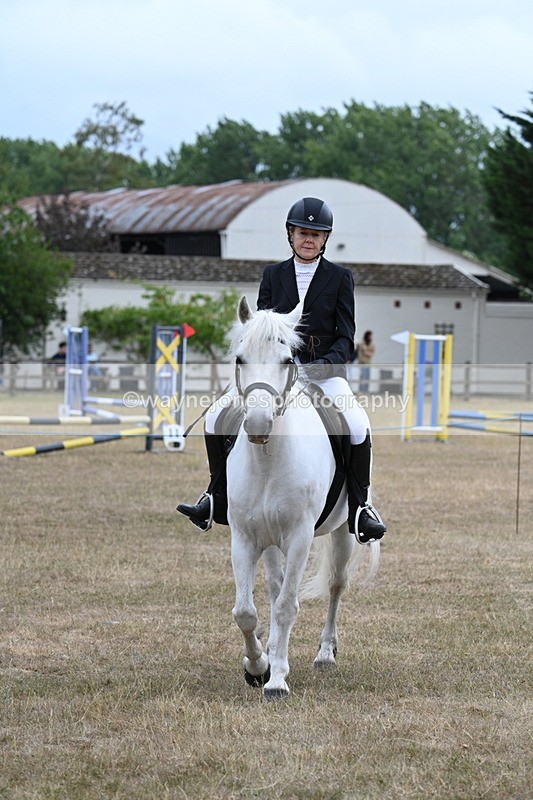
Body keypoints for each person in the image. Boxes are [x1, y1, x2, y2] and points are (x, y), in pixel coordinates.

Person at [177, 197, 386, 545]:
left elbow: (346, 338)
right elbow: (261, 329)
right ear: (290, 234)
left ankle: (361, 508)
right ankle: (215, 496)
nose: (309, 239)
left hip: (325, 372)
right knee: (215, 417)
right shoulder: (273, 275)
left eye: (316, 235)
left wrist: (317, 369)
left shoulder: (340, 278)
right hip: (274, 373)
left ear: (325, 238)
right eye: (303, 232)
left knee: (357, 424)